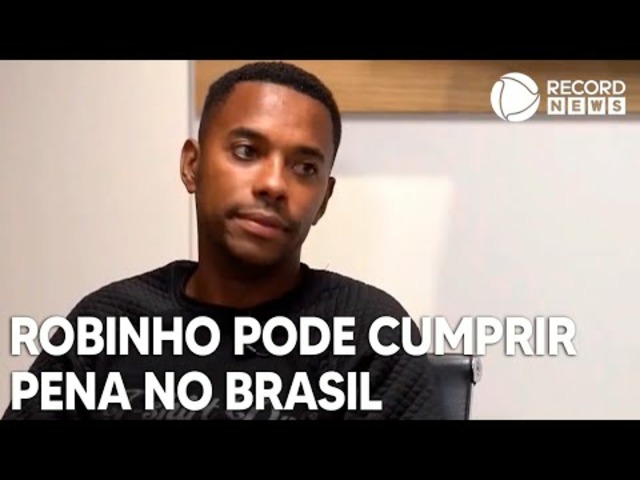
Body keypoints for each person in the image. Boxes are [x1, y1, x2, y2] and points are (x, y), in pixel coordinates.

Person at [3, 61, 444, 420]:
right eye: (247, 152)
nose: (274, 184)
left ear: (323, 200)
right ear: (192, 166)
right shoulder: (107, 323)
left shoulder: (367, 333)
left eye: (304, 167)